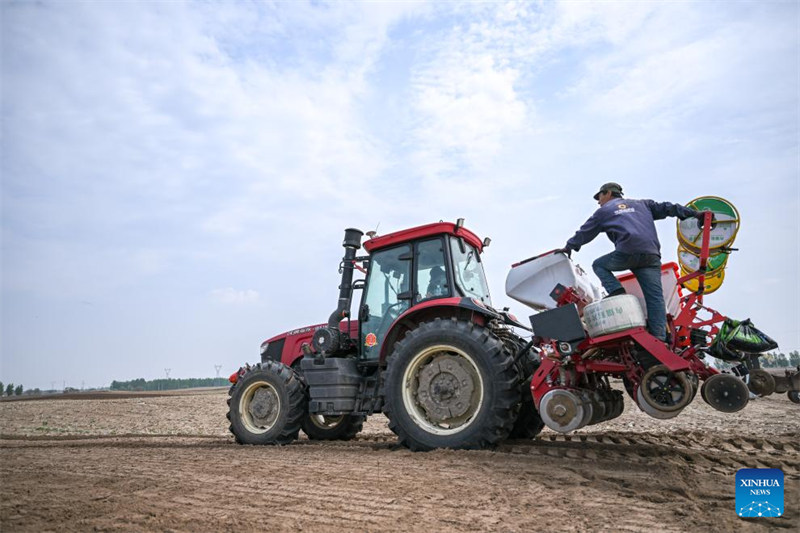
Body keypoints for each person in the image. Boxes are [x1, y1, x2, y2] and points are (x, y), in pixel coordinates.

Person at [558, 182, 706, 341]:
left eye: (599, 196)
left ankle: (616, 290)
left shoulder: (604, 211)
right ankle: (660, 338)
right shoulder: (644, 205)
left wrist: (569, 247)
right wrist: (694, 214)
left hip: (627, 251)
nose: (598, 201)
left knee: (599, 264)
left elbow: (585, 231)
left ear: (608, 193)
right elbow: (668, 208)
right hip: (651, 254)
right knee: (655, 298)